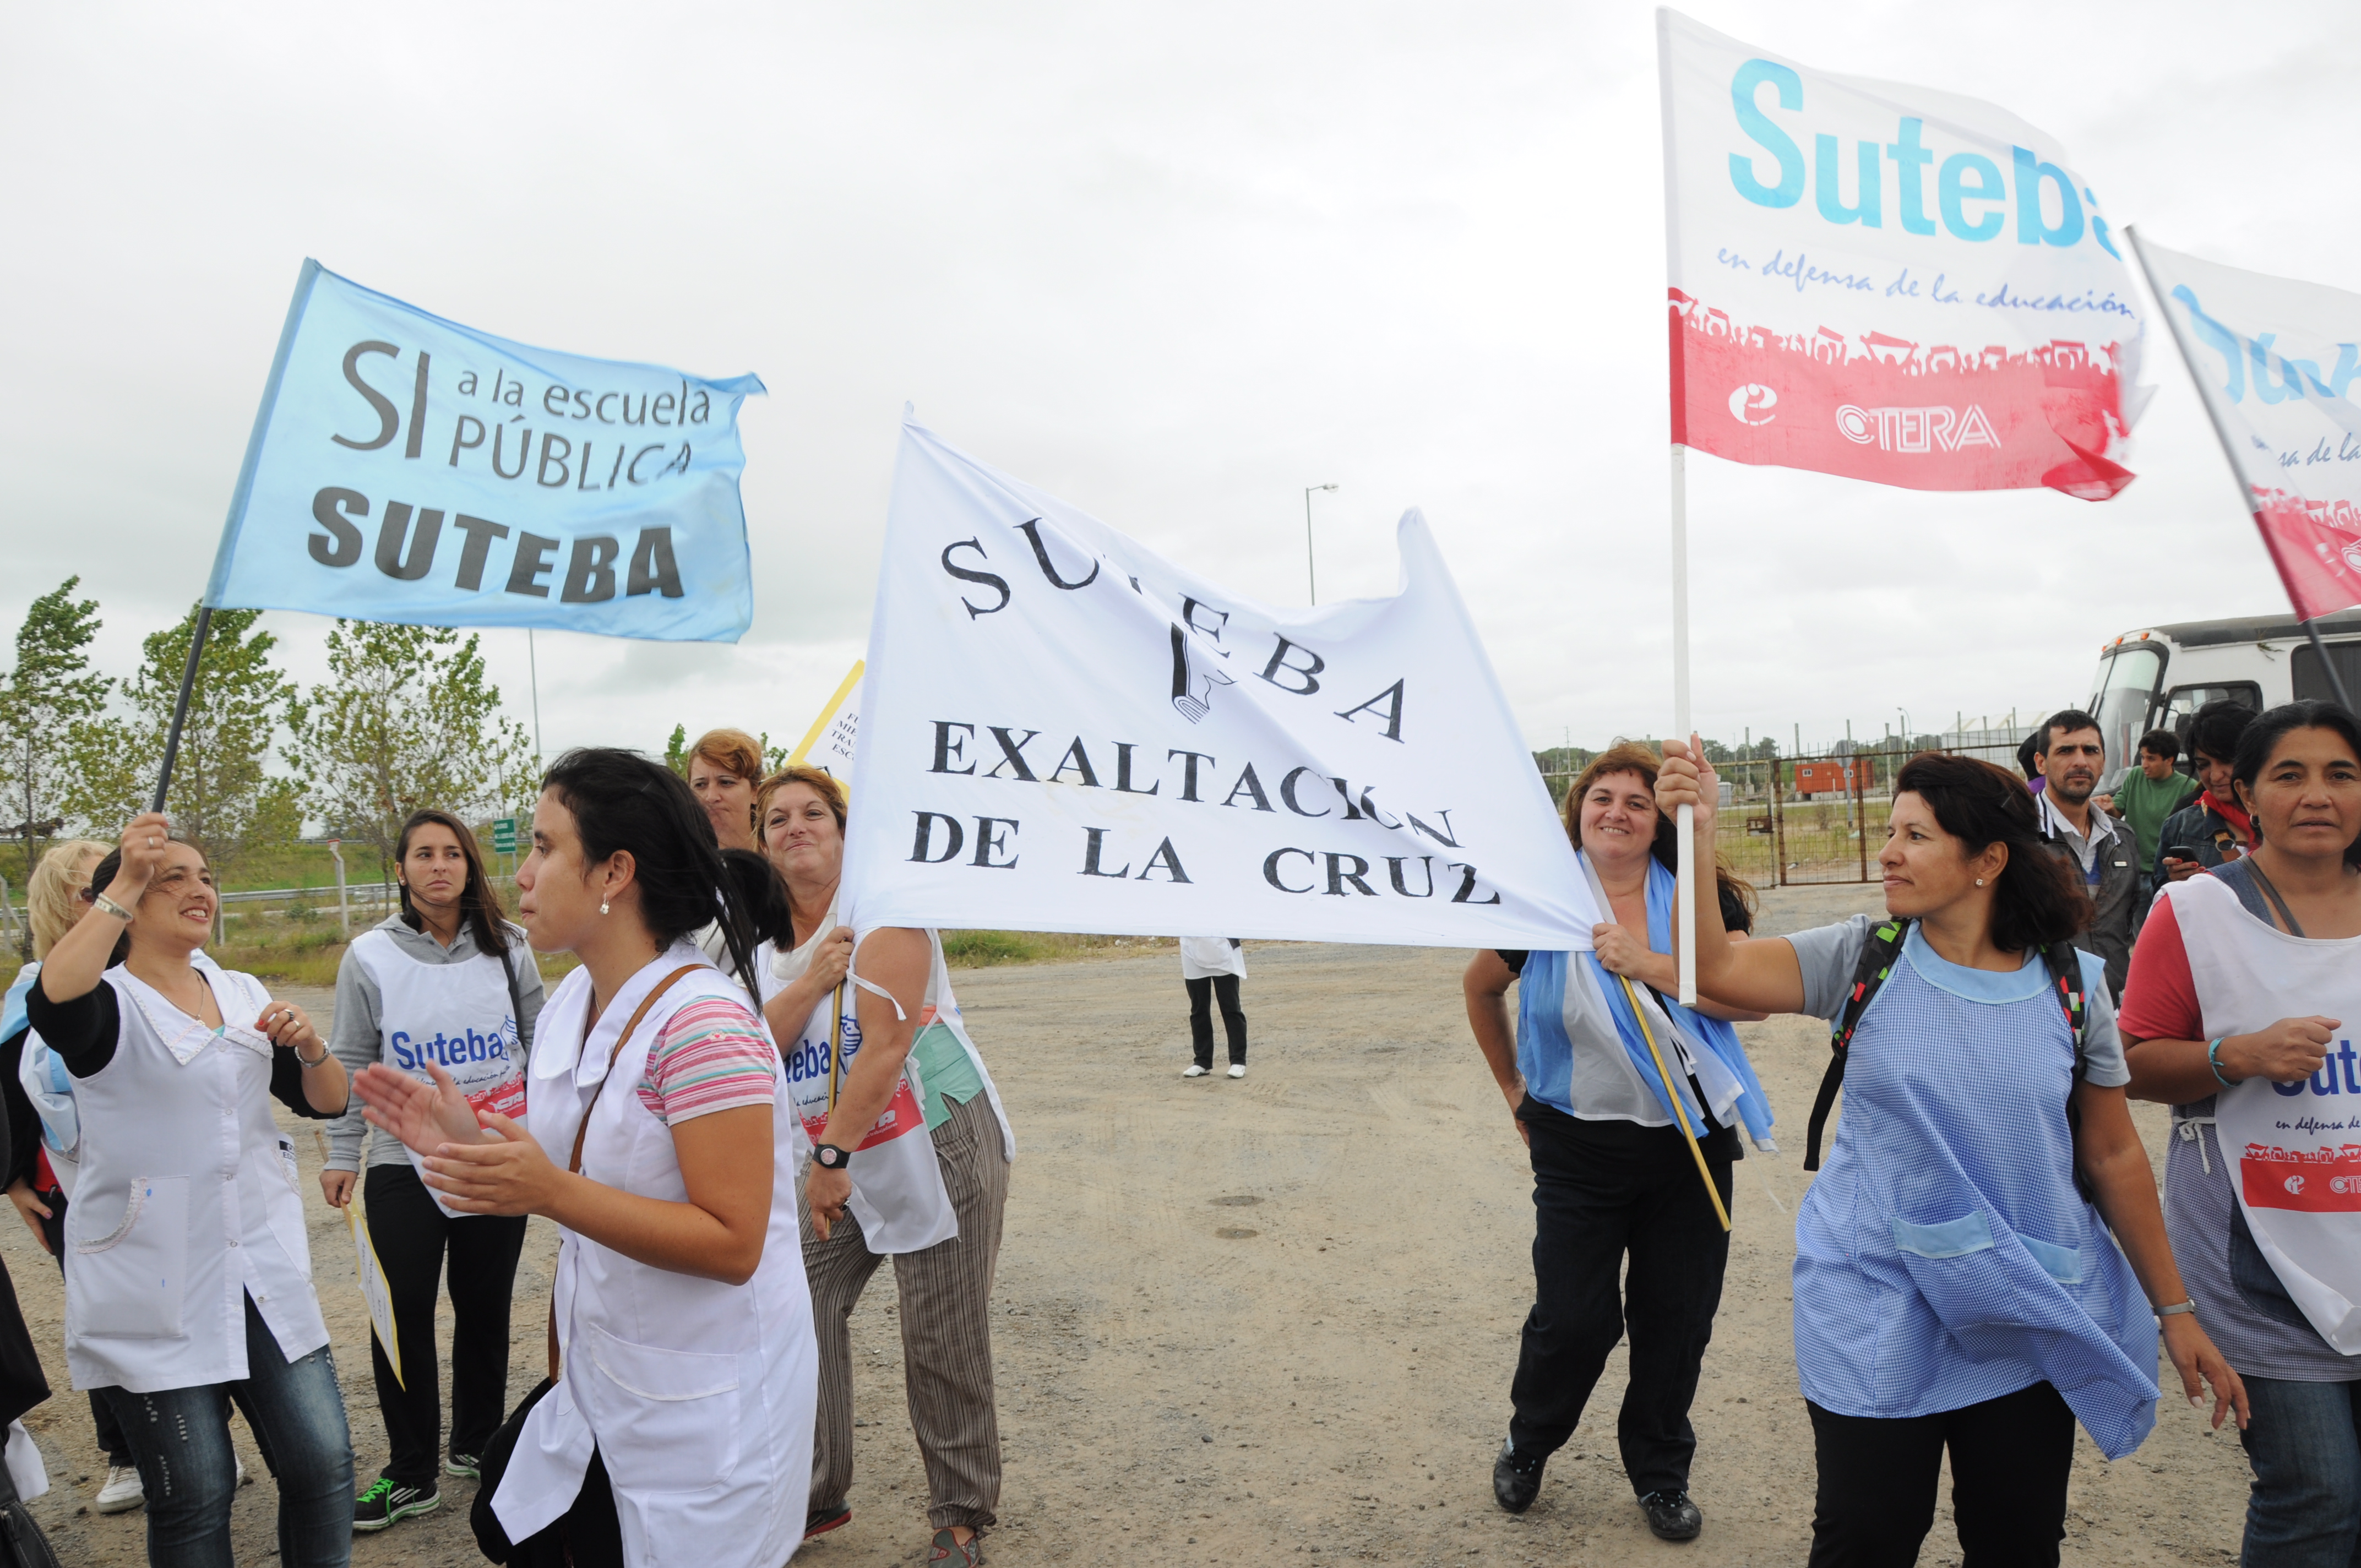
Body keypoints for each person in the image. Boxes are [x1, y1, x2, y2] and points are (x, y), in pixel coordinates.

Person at [1654, 739, 2245, 1566]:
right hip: (1873, 1296)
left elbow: (2113, 1155)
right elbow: (1707, 969)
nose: (1888, 853)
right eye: (1891, 832)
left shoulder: (2073, 985)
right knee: (1866, 1538)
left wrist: (2174, 1312)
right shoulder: (1863, 956)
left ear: (1988, 861)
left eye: (1917, 836)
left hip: (2020, 1299)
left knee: (2016, 1542)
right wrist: (1697, 831)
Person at [352, 749, 812, 1568]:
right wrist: (466, 1140)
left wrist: (550, 1192)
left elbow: (735, 1242)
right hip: (606, 1377)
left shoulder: (706, 1028)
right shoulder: (573, 1001)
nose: (521, 874)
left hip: (702, 1402)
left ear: (614, 873)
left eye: (544, 846)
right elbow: (578, 1158)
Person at [1462, 743, 1776, 1544]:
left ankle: (1661, 1474)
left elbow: (1749, 1002)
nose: (1617, 813)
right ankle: (1529, 1440)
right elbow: (1481, 987)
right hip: (1578, 1148)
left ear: (1660, 821)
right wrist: (1512, 1088)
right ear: (1579, 813)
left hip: (1690, 1144)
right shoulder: (1542, 905)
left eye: (1638, 803)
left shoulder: (1698, 898)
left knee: (1677, 1320)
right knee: (1573, 1319)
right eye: (1602, 797)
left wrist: (1648, 964)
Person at [26, 813, 356, 1567]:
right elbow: (53, 1000)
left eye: (205, 876)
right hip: (155, 1277)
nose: (197, 888)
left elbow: (328, 1101)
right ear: (125, 897)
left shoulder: (241, 991)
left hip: (257, 1263)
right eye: (169, 877)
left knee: (322, 1463)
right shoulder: (105, 1002)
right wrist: (124, 878)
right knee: (196, 1492)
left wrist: (311, 1046)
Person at [2120, 700, 2361, 1566]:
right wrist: (2236, 1055)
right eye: (2290, 775)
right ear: (2246, 795)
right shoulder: (2196, 912)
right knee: (2317, 1493)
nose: (2317, 795)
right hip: (2258, 1259)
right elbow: (2132, 1063)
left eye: (2341, 774)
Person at [753, 764, 1013, 1566]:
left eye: (814, 813)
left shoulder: (887, 910)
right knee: (801, 1301)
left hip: (935, 1137)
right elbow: (758, 1043)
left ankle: (960, 1513)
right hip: (840, 1153)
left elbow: (886, 1046)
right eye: (777, 819)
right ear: (763, 842)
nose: (795, 827)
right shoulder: (764, 944)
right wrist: (811, 981)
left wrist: (831, 1156)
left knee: (939, 1328)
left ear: (845, 830)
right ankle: (815, 1491)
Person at [320, 809, 547, 1532]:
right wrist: (342, 1153)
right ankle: (410, 1471)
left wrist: (544, 1142)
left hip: (492, 1154)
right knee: (402, 1312)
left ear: (470, 865)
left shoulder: (510, 947)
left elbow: (542, 1046)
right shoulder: (368, 956)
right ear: (401, 869)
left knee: (484, 1308)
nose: (439, 865)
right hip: (401, 1161)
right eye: (424, 854)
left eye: (452, 853)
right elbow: (350, 1060)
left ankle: (478, 1445)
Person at [0, 840, 142, 1511]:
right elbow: (7, 1095)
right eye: (93, 889)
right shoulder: (32, 990)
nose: (112, 897)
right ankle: (125, 1452)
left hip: (158, 1180)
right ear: (61, 905)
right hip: (70, 1191)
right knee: (104, 1320)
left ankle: (199, 1439)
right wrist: (13, 1181)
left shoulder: (148, 972)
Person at [2032, 708, 2140, 999]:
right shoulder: (2017, 838)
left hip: (2114, 1001)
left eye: (2091, 751)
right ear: (2041, 763)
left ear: (2103, 762)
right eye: (2066, 751)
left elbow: (2126, 925)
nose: (2081, 761)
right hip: (2045, 1004)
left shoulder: (2123, 838)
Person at [2158, 698, 2259, 884]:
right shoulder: (2180, 826)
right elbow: (2158, 893)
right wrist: (2175, 884)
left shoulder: (2286, 817)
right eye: (2203, 765)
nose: (2215, 776)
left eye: (2226, 761)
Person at [2110, 728, 2200, 912]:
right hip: (2135, 873)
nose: (2144, 764)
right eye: (2143, 757)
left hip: (2168, 876)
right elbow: (2117, 811)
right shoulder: (2135, 776)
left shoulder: (2188, 787)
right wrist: (2105, 806)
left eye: (2151, 759)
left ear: (2169, 760)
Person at [686, 728, 764, 856]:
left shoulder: (783, 860)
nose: (711, 797)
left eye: (726, 783)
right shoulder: (677, 861)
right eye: (700, 785)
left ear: (755, 792)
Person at [1178, 938, 1248, 1079]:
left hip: (1223, 947)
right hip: (1192, 947)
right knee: (1199, 1009)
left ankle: (1238, 1061)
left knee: (1230, 1007)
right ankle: (1202, 1061)